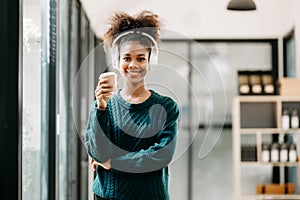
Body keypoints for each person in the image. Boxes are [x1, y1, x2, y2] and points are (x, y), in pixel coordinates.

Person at [84, 10, 179, 200]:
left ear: (150, 61)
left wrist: (115, 163)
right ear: (118, 62)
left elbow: (160, 156)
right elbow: (98, 153)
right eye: (127, 58)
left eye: (141, 58)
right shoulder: (104, 106)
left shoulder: (167, 107)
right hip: (108, 196)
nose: (133, 64)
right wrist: (101, 107)